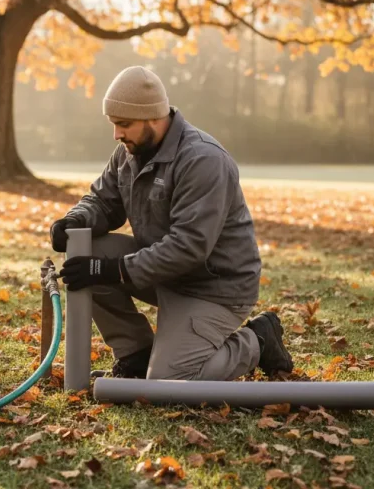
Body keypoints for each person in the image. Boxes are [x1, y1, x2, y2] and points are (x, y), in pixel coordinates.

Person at [51, 66, 292, 381]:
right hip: (164, 273)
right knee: (89, 252)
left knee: (170, 381)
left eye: (124, 124)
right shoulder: (129, 153)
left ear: (152, 117)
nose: (117, 134)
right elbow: (103, 201)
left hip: (213, 287)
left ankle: (258, 340)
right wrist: (75, 220)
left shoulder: (203, 160)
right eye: (114, 124)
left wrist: (115, 270)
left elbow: (189, 246)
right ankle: (136, 355)